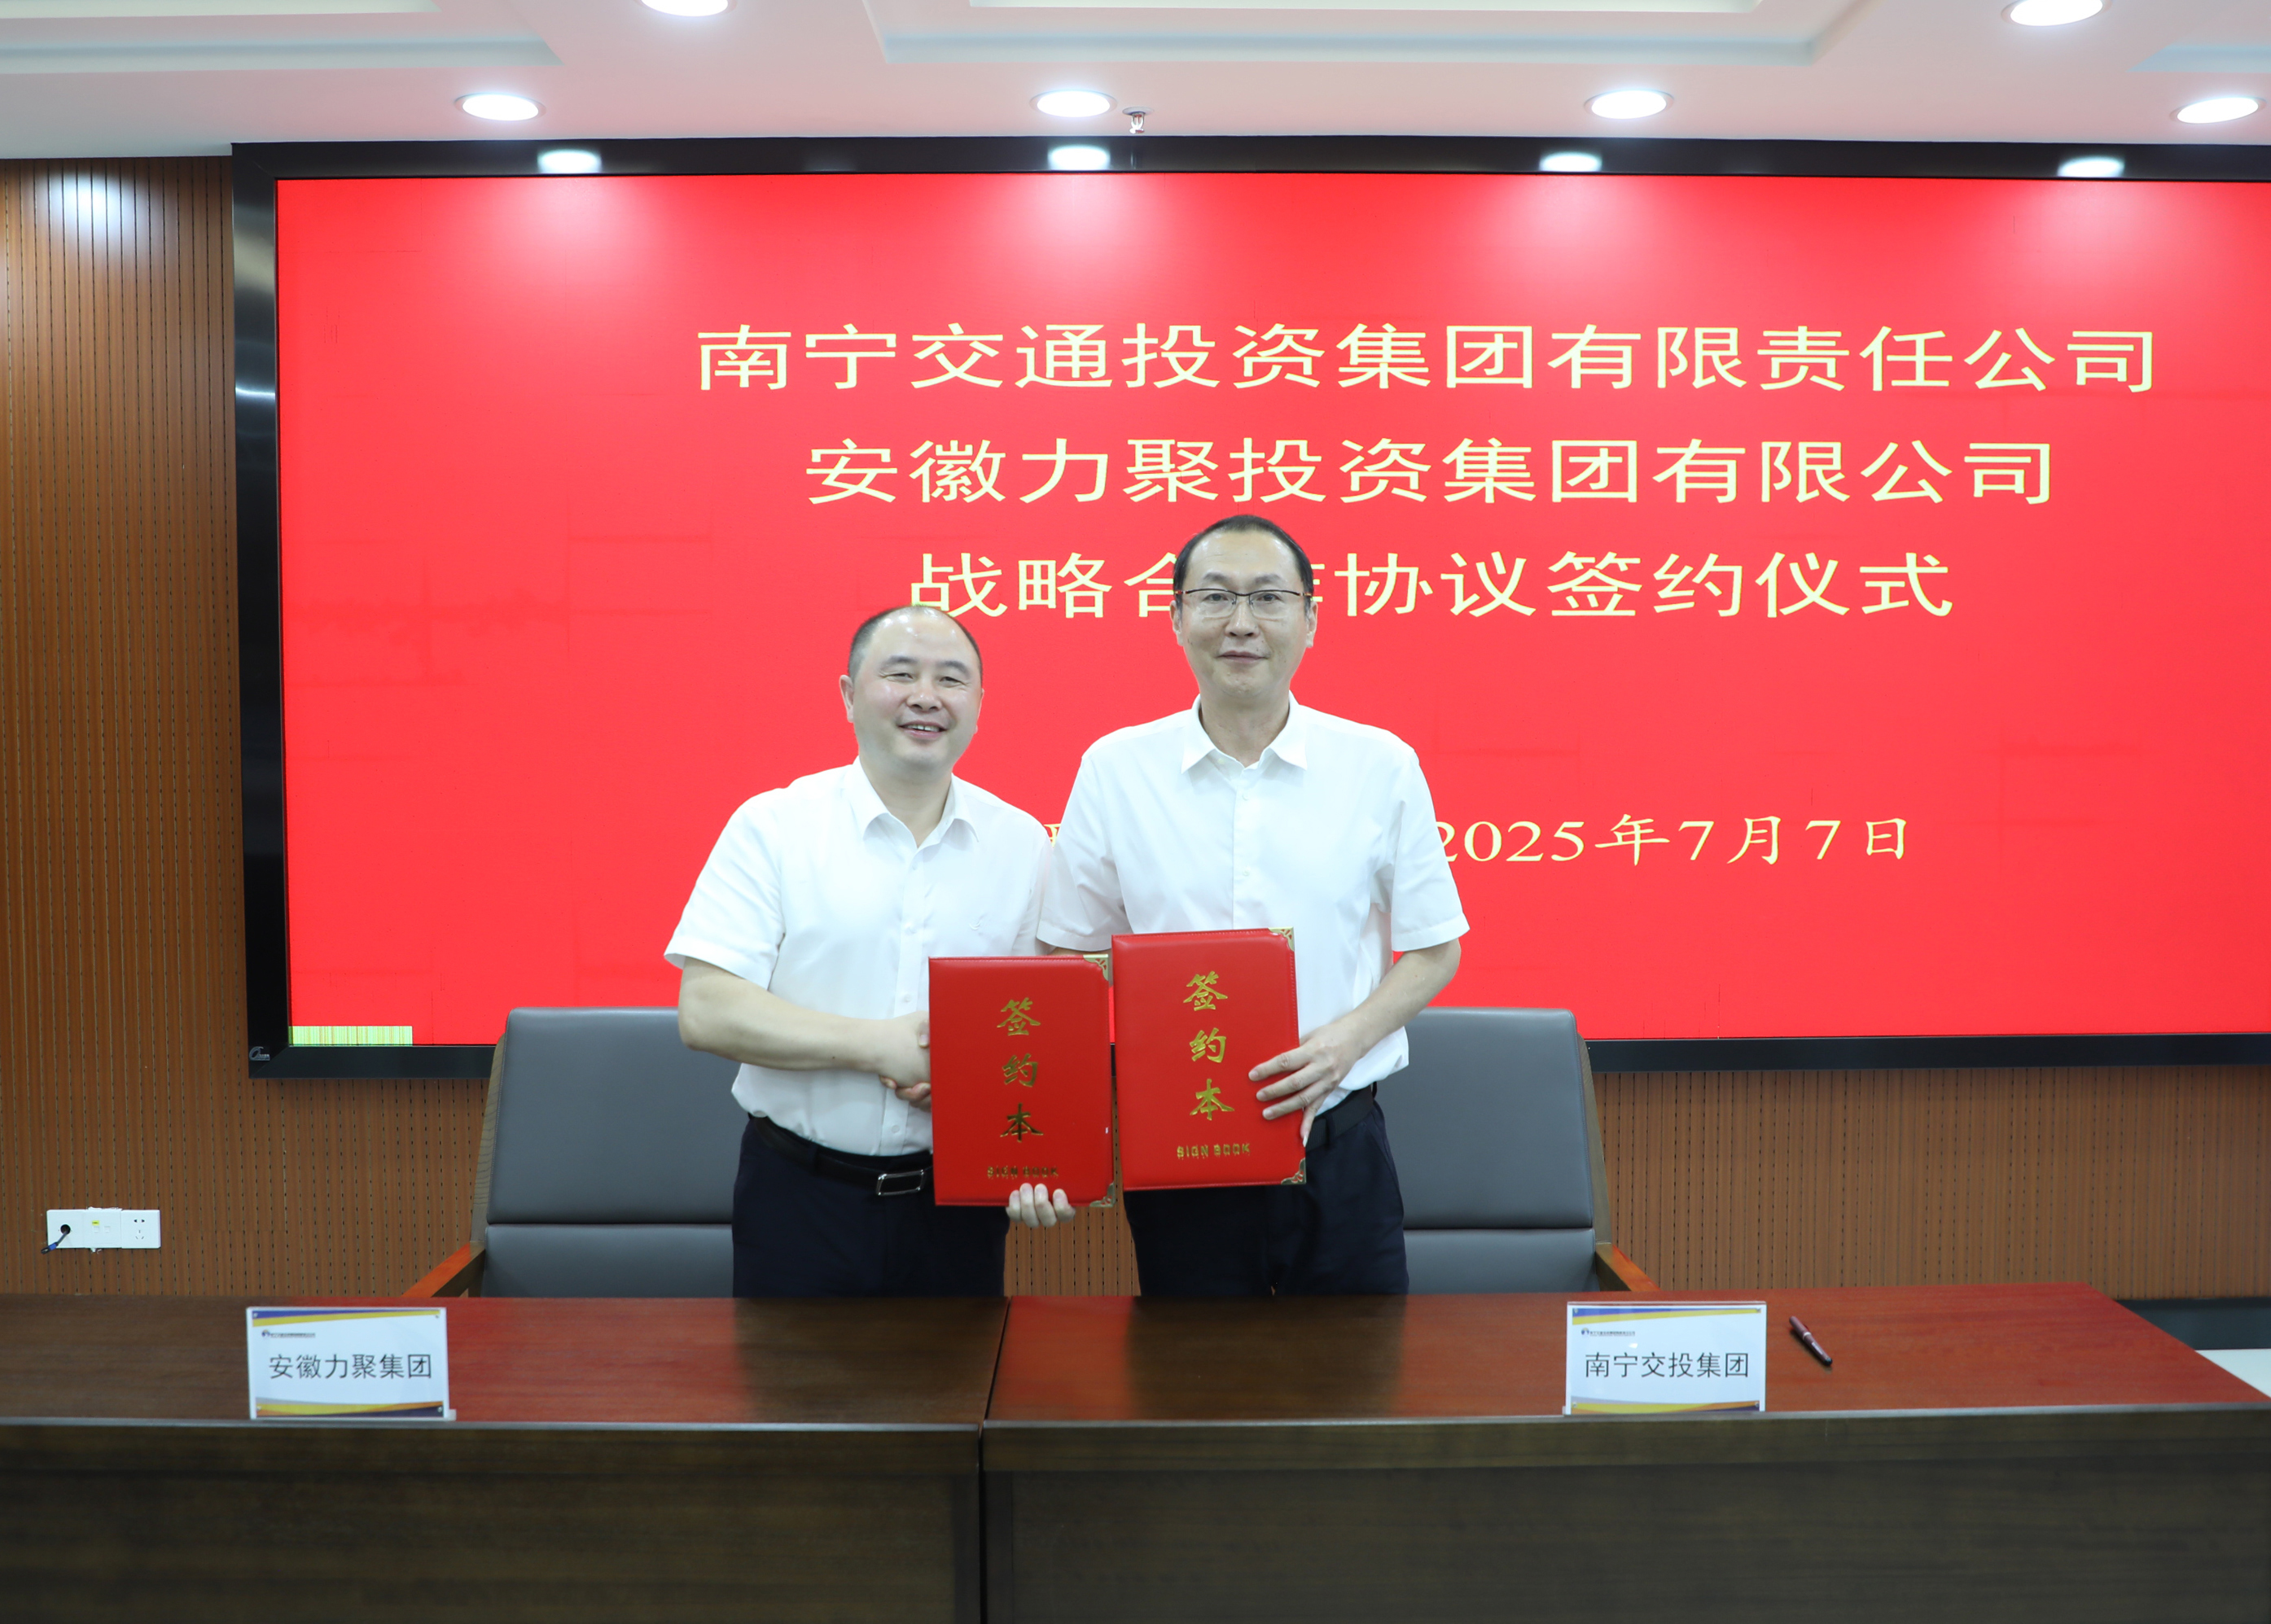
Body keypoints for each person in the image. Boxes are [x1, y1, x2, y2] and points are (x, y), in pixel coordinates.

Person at [1039, 514, 1467, 1295]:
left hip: (1338, 1143)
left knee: (1359, 1367)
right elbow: (1069, 953)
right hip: (1179, 1153)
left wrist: (1341, 1044)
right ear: (1176, 618)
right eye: (1214, 597)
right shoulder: (1116, 768)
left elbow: (1436, 948)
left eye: (1268, 597)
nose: (1241, 622)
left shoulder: (1378, 765)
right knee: (1192, 1369)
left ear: (1310, 619)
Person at [669, 604, 1076, 1298]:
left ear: (979, 704)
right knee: (787, 1375)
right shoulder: (774, 826)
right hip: (799, 1196)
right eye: (900, 674)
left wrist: (977, 1090)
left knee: (960, 1372)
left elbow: (1031, 1026)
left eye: (951, 679)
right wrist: (880, 1045)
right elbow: (707, 1010)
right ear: (849, 695)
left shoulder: (1021, 844)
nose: (926, 696)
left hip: (956, 1207)